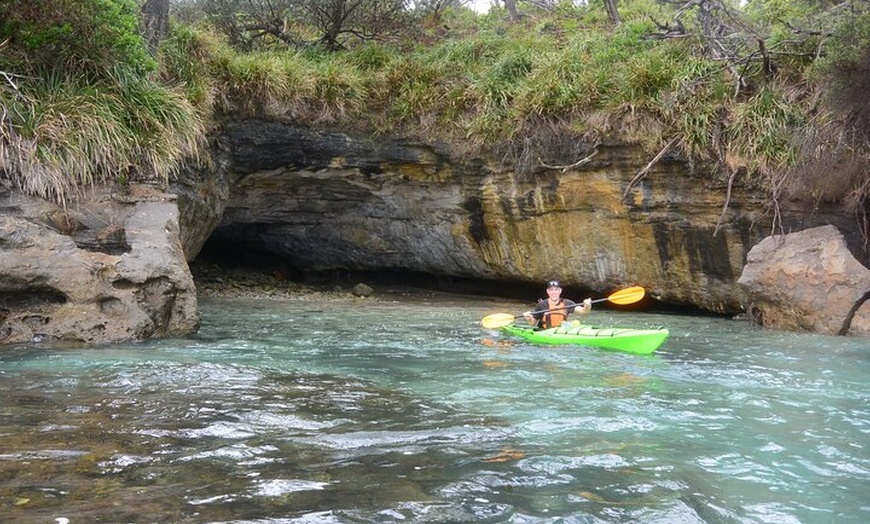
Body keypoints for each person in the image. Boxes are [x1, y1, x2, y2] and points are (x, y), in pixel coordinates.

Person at [523, 280, 592, 329]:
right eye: (551, 290)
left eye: (556, 289)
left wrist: (587, 306)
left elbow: (584, 311)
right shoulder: (542, 304)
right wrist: (528, 318)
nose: (554, 292)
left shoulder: (567, 303)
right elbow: (533, 323)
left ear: (560, 291)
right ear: (547, 291)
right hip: (545, 332)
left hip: (561, 331)